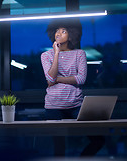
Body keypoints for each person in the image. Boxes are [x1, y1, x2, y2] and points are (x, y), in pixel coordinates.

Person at [41, 18, 105, 157]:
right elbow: (50, 79)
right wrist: (56, 53)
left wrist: (55, 79)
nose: (59, 33)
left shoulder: (79, 54)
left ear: (72, 34)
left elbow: (81, 79)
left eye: (63, 31)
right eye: (57, 30)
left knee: (98, 140)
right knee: (59, 149)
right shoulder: (46, 55)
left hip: (76, 105)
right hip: (53, 106)